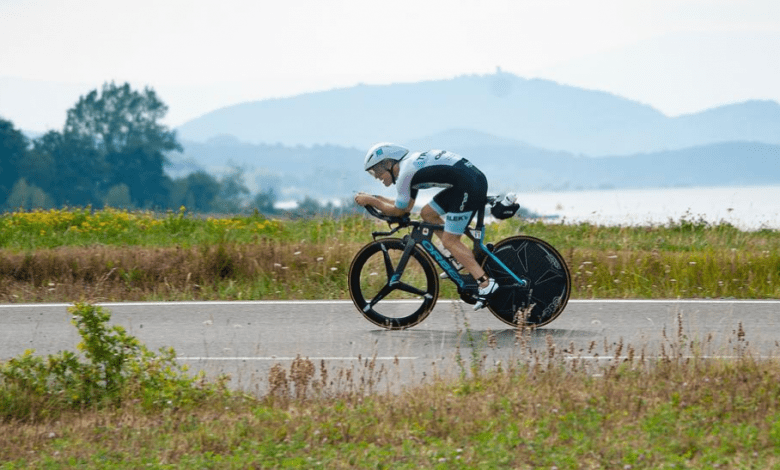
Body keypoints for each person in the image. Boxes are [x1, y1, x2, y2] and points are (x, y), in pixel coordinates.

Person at [353, 142, 498, 310]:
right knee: (428, 214)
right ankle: (458, 259)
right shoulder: (408, 169)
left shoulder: (405, 174)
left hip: (469, 185)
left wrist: (372, 201)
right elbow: (403, 204)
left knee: (450, 241)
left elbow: (400, 211)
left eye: (377, 170)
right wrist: (375, 198)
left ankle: (486, 283)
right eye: (372, 173)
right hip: (467, 181)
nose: (377, 176)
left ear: (389, 163)